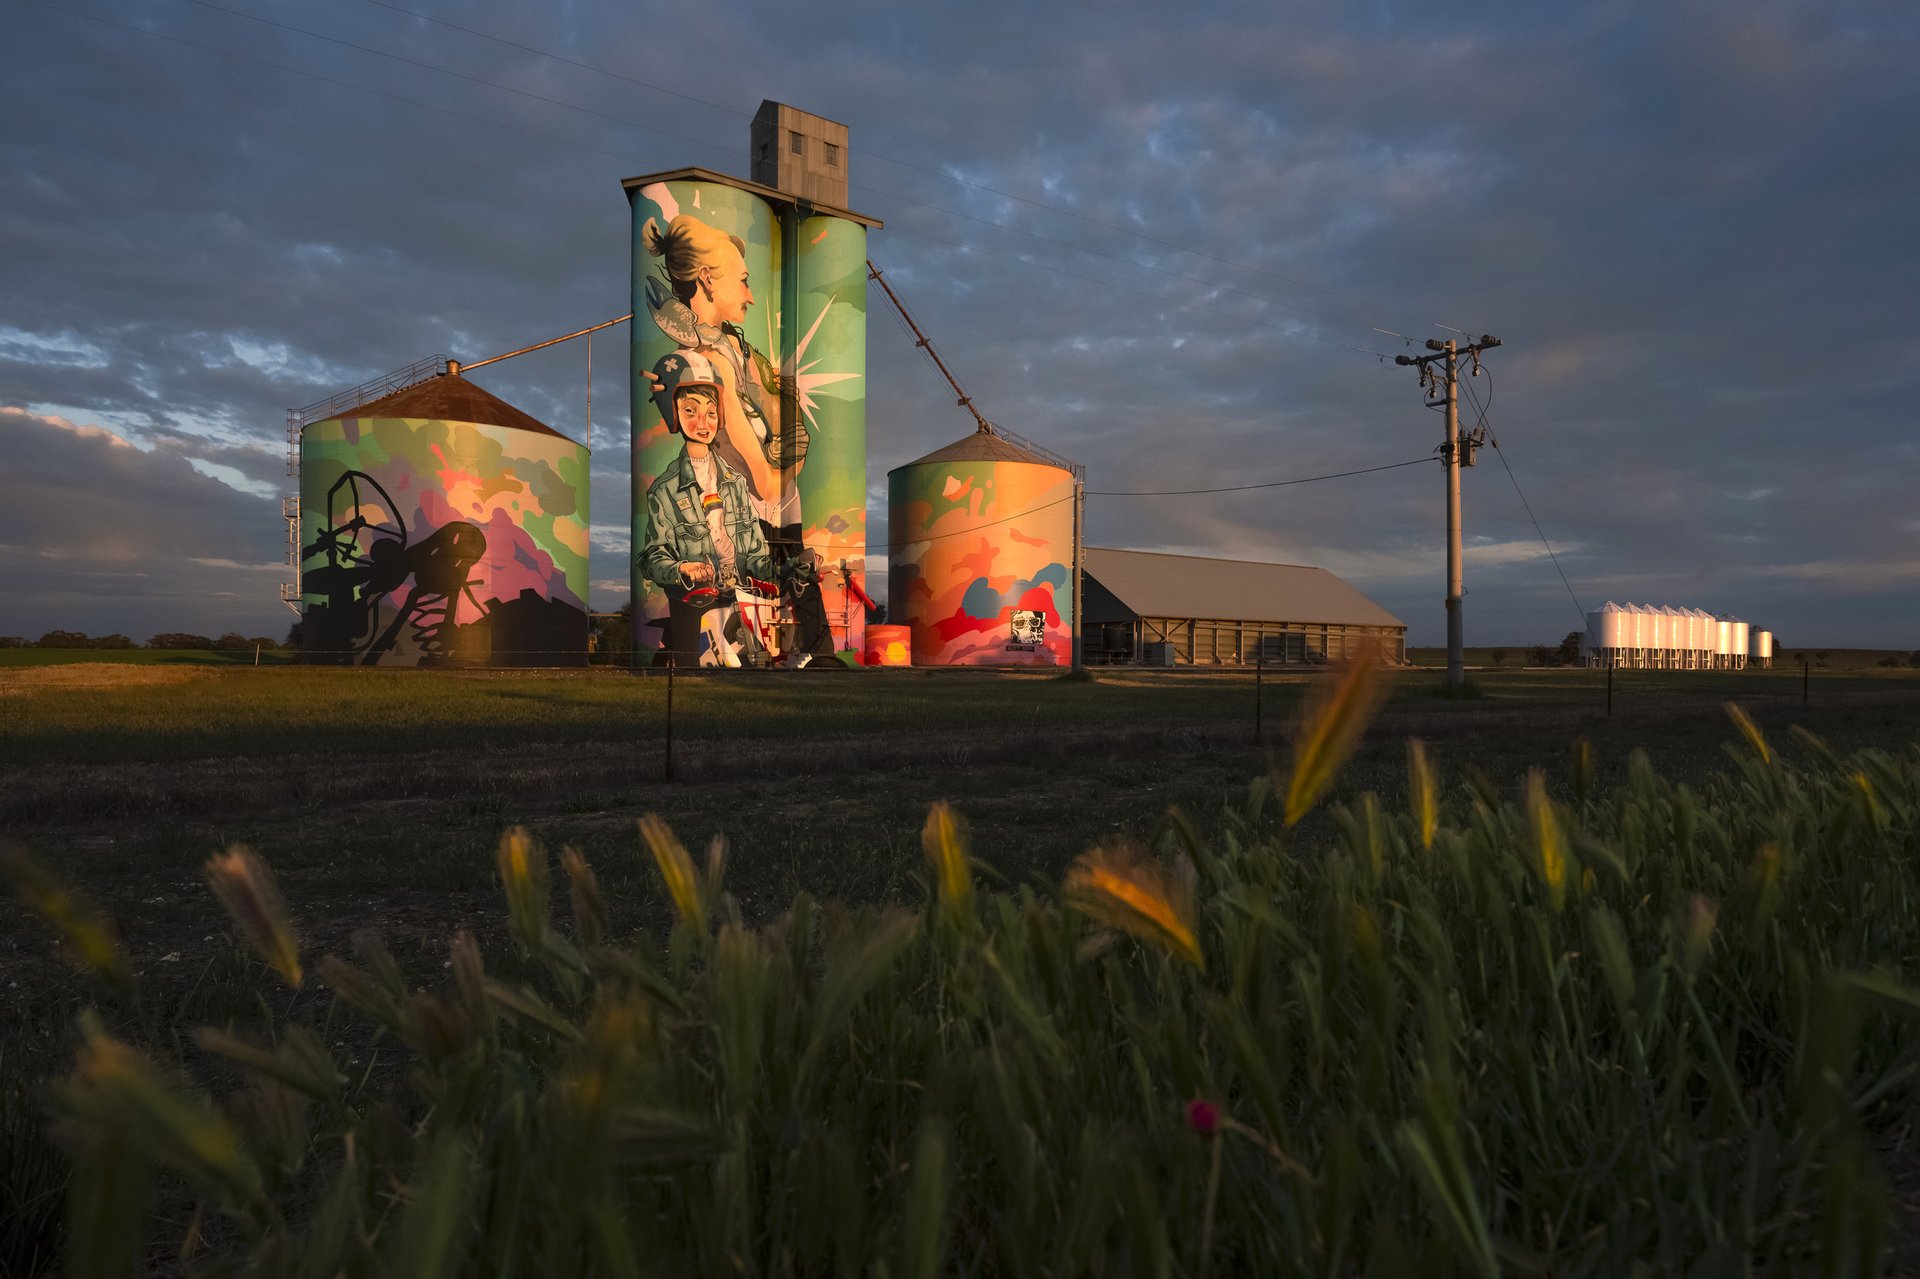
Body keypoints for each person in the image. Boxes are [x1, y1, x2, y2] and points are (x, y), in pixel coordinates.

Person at [641, 213, 805, 535]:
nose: (751, 296)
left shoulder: (731, 345)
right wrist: (794, 459)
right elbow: (766, 487)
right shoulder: (706, 366)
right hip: (747, 528)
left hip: (769, 519)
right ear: (706, 279)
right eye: (744, 281)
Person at [639, 351, 775, 666]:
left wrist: (780, 570)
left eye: (711, 412)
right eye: (690, 410)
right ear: (671, 412)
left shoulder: (735, 483)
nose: (703, 423)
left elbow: (755, 550)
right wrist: (680, 570)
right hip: (692, 599)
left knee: (750, 670)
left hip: (737, 598)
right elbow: (650, 556)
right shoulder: (664, 490)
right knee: (694, 674)